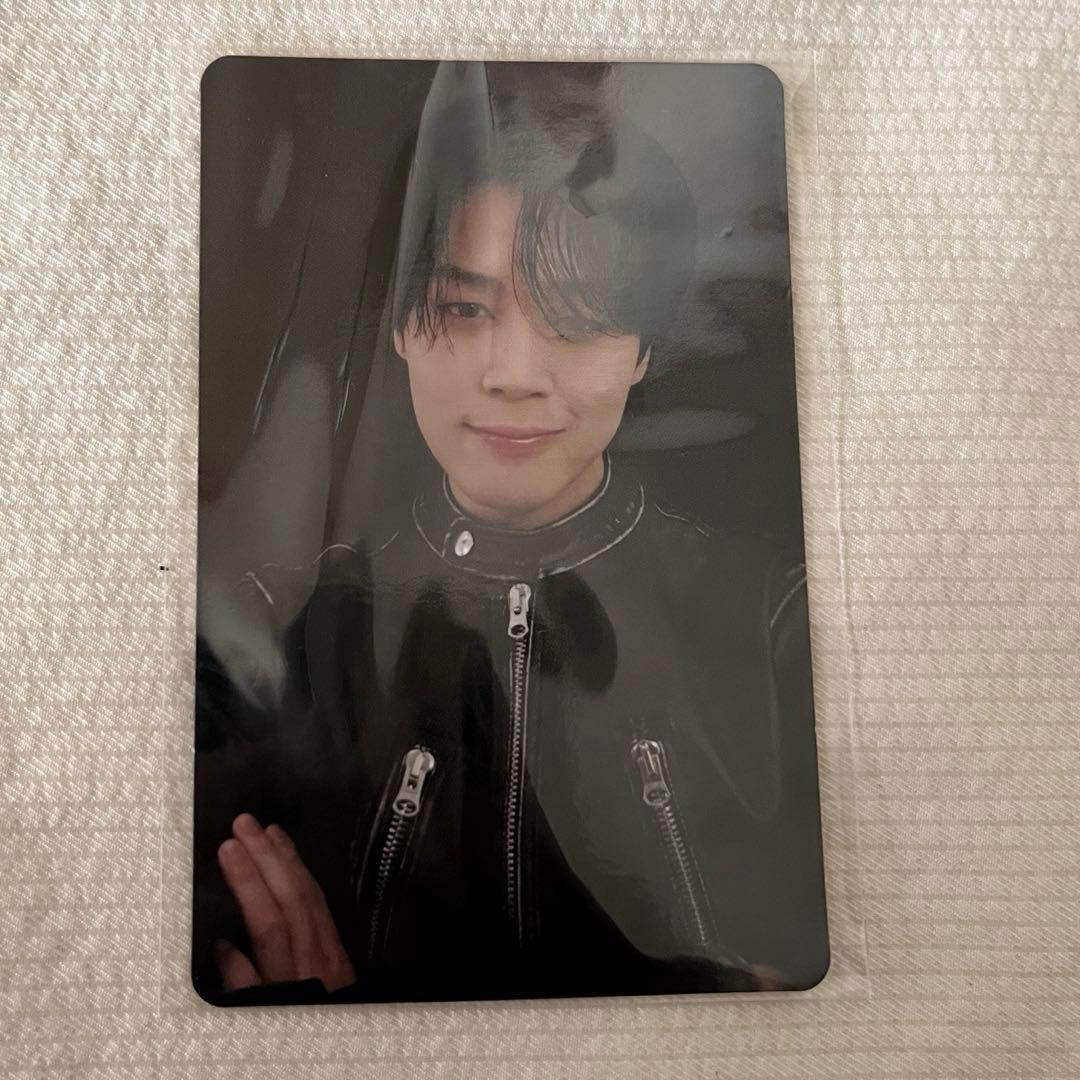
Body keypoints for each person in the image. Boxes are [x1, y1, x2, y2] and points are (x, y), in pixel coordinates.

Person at [193, 61, 828, 1005]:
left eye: (576, 316)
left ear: (645, 347)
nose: (514, 374)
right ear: (399, 326)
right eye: (463, 308)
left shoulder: (777, 618)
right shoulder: (289, 632)